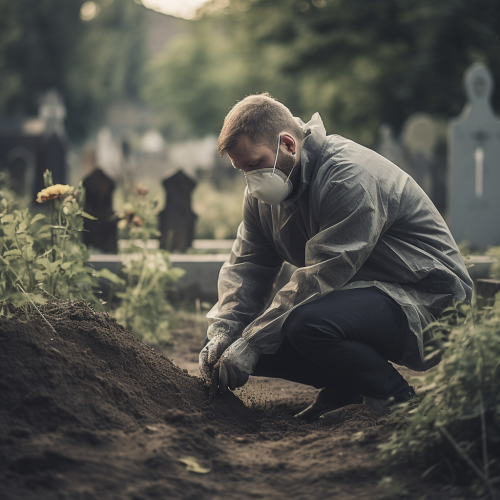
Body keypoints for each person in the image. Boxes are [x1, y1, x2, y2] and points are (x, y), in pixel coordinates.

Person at [199, 93, 473, 421]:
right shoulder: (262, 197)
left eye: (255, 164)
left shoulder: (348, 176)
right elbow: (248, 264)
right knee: (236, 341)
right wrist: (225, 329)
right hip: (360, 297)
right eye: (242, 169)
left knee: (302, 325)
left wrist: (254, 341)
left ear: (288, 144)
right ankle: (347, 388)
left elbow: (324, 273)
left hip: (426, 299)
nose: (251, 180)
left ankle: (397, 399)